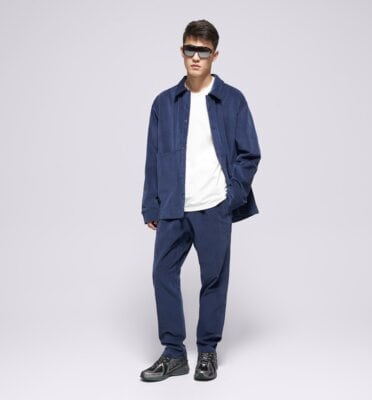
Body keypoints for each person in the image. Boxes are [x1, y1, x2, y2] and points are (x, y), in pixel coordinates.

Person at [139, 19, 261, 382]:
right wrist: (151, 204)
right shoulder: (164, 103)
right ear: (182, 51)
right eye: (190, 49)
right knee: (162, 273)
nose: (196, 57)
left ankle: (207, 351)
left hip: (213, 206)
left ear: (214, 55)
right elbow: (152, 157)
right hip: (173, 206)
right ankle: (174, 353)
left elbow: (249, 153)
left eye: (203, 51)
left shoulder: (233, 100)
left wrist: (231, 197)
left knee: (213, 279)